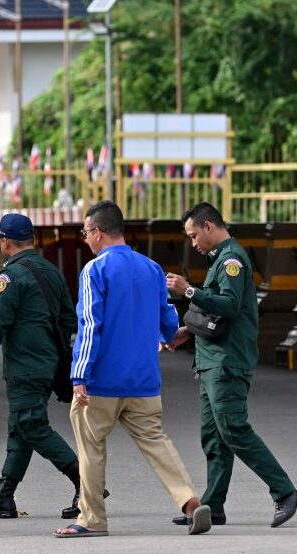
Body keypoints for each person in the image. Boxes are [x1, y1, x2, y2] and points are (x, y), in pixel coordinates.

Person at [55, 201, 211, 538]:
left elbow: (90, 325)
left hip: (101, 383)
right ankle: (190, 502)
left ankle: (91, 519)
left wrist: (79, 374)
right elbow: (167, 317)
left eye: (85, 233)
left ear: (97, 232)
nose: (85, 239)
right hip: (144, 380)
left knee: (91, 448)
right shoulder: (152, 268)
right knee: (156, 442)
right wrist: (173, 335)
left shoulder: (94, 271)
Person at [165, 202, 297, 528]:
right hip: (213, 360)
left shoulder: (231, 260)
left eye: (194, 235)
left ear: (209, 226)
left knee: (233, 429)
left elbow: (228, 305)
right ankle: (213, 506)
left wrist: (189, 291)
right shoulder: (219, 260)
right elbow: (216, 316)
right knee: (213, 437)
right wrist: (187, 332)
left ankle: (284, 492)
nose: (193, 243)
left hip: (227, 362)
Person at [0, 213, 98, 521]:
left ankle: (85, 483)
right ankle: (4, 496)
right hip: (46, 364)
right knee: (20, 428)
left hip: (24, 365)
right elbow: (68, 318)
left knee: (31, 425)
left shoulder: (10, 276)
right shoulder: (51, 271)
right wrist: (52, 350)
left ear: (6, 242)